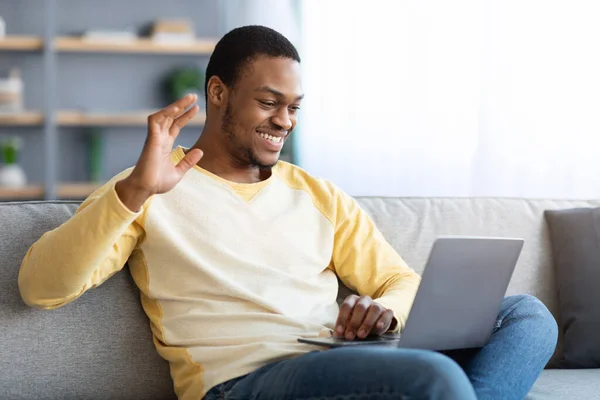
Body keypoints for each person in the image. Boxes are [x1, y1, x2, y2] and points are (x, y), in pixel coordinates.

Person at [18, 25, 558, 400]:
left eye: (294, 107)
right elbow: (40, 286)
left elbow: (400, 278)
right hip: (246, 384)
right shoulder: (146, 190)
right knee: (433, 378)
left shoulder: (318, 194)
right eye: (269, 102)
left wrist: (385, 313)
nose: (284, 121)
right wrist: (136, 191)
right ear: (219, 93)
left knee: (526, 316)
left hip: (344, 364)